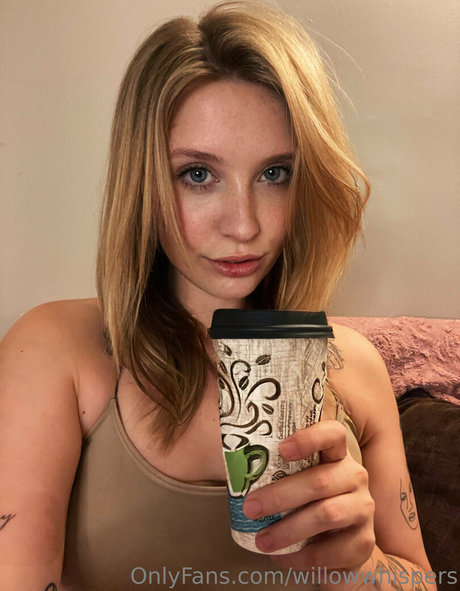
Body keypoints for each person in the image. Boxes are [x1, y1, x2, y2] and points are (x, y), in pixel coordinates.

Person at [0, 1, 435, 589]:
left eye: (275, 173)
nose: (244, 225)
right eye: (198, 175)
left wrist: (362, 568)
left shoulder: (353, 366)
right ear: (144, 182)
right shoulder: (56, 349)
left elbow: (420, 578)